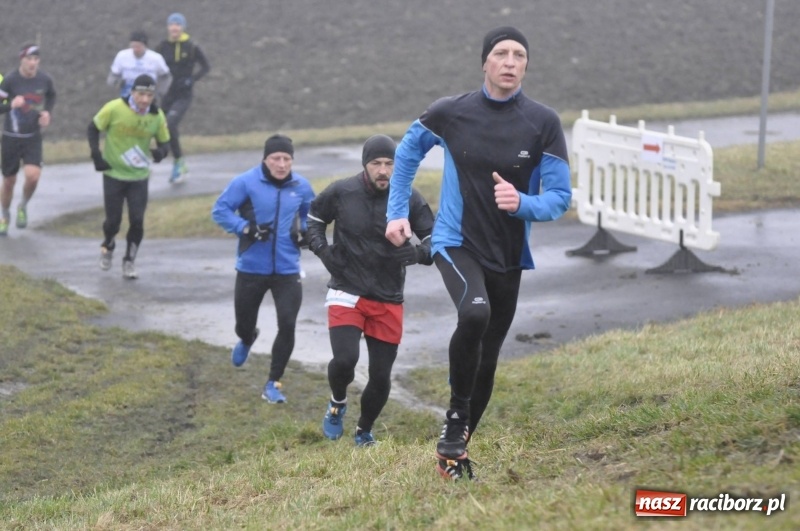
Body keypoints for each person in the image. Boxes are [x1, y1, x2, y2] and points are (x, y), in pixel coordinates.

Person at [385, 26, 572, 480]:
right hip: (455, 241)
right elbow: (408, 150)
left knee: (488, 354)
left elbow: (560, 196)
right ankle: (454, 420)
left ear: (526, 66)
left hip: (508, 254)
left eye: (520, 55)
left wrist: (524, 203)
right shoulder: (452, 112)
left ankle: (456, 451)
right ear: (485, 62)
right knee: (474, 314)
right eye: (502, 53)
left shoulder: (542, 122)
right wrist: (396, 213)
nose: (510, 61)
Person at [306, 135, 434, 447]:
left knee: (380, 376)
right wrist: (323, 251)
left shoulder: (410, 199)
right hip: (346, 289)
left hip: (388, 296)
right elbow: (313, 221)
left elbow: (436, 239)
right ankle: (337, 402)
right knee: (346, 359)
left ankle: (364, 431)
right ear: (365, 164)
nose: (383, 170)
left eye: (389, 163)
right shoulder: (341, 191)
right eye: (376, 163)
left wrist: (419, 254)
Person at [211, 134, 315, 404]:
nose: (281, 164)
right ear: (265, 159)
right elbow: (220, 210)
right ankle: (248, 338)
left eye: (287, 159)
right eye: (276, 158)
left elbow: (312, 215)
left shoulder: (301, 186)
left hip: (287, 269)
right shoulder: (245, 182)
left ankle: (273, 382)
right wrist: (244, 228)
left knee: (288, 324)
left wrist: (304, 232)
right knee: (243, 325)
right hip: (251, 268)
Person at [87, 74, 170, 279]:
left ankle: (129, 260)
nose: (144, 99)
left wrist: (161, 153)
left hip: (139, 177)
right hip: (113, 173)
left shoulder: (156, 115)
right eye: (141, 94)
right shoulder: (114, 108)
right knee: (113, 222)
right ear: (132, 92)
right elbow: (93, 128)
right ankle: (108, 244)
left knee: (137, 220)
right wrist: (96, 154)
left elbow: (165, 143)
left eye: (149, 95)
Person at [0, 44, 56, 236]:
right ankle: (5, 215)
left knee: (33, 176)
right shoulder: (9, 80)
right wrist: (10, 106)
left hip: (33, 137)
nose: (33, 63)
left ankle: (22, 206)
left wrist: (47, 112)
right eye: (29, 59)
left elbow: (51, 95)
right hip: (11, 137)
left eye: (36, 59)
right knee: (9, 181)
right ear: (21, 60)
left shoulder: (45, 79)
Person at [155, 13, 211, 184]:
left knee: (170, 124)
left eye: (178, 25)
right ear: (168, 27)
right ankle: (172, 159)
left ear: (182, 27)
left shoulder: (192, 46)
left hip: (183, 95)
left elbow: (206, 67)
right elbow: (153, 66)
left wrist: (191, 80)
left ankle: (178, 163)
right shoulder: (162, 46)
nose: (174, 28)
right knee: (159, 127)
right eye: (172, 24)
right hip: (167, 94)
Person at [107, 30, 172, 100]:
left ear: (145, 46)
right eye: (133, 46)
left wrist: (159, 93)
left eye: (139, 46)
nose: (136, 49)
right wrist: (118, 83)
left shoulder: (156, 58)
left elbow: (166, 78)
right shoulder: (122, 56)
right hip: (126, 95)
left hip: (148, 96)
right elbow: (112, 77)